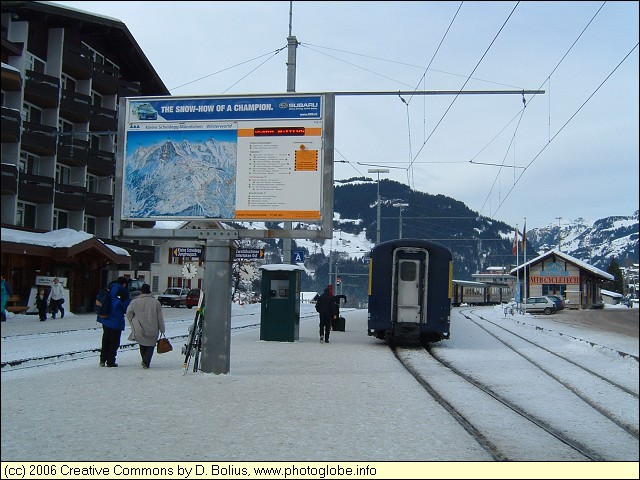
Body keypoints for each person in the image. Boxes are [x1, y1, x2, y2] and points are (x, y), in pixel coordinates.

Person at [126, 283, 165, 369]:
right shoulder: (156, 302)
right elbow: (160, 317)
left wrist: (132, 321)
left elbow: (128, 313)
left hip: (139, 326)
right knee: (150, 345)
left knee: (142, 343)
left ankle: (144, 359)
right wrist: (162, 329)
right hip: (153, 327)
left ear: (141, 291)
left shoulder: (134, 302)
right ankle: (146, 361)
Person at [97, 277, 130, 367]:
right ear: (124, 284)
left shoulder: (109, 287)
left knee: (105, 339)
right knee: (114, 341)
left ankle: (102, 360)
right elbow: (125, 307)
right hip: (115, 320)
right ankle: (110, 361)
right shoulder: (123, 291)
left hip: (105, 317)